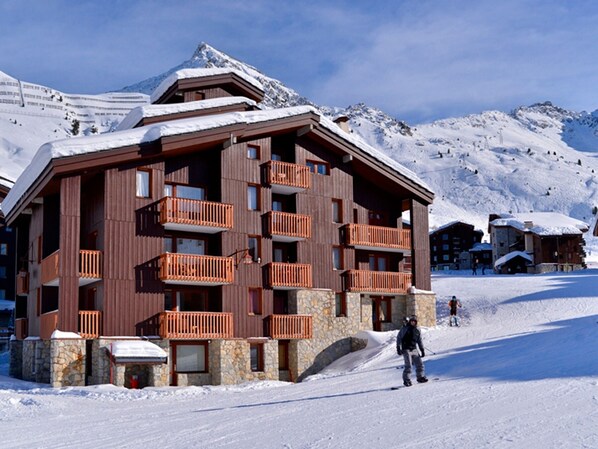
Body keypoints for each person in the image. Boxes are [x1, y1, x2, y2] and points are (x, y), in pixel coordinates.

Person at [396, 316, 427, 386]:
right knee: (409, 365)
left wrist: (422, 349)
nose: (412, 322)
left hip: (414, 349)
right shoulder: (405, 329)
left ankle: (420, 377)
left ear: (416, 322)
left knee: (420, 364)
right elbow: (399, 338)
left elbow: (419, 340)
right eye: (411, 321)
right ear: (409, 322)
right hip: (406, 349)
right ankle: (406, 380)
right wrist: (398, 347)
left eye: (414, 321)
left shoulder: (417, 330)